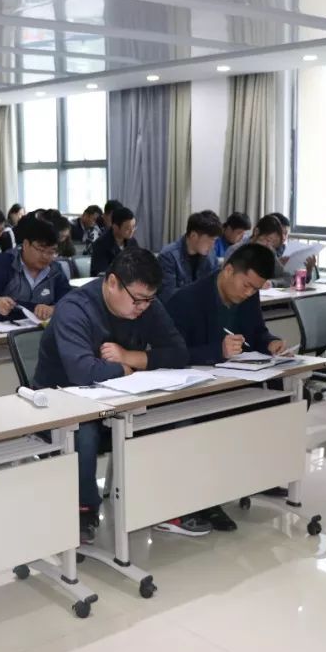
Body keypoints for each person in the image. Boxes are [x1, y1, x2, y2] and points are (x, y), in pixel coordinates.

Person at [32, 247, 200, 541]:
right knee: (84, 432)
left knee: (173, 416)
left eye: (149, 299)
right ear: (112, 283)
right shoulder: (75, 308)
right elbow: (82, 372)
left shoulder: (146, 304)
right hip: (61, 405)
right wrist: (124, 369)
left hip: (119, 401)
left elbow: (178, 352)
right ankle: (83, 510)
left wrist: (130, 358)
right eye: (138, 299)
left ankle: (162, 502)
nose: (143, 307)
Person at [166, 243, 288, 533]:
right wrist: (216, 351)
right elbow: (171, 354)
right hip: (193, 389)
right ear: (229, 270)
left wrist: (271, 342)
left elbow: (257, 332)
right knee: (217, 419)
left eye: (255, 289)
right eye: (246, 286)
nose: (249, 293)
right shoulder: (186, 300)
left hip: (232, 380)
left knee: (280, 399)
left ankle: (254, 476)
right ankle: (208, 499)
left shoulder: (249, 295)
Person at [0, 217, 69, 324]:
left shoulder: (55, 270)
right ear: (25, 244)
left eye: (51, 252)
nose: (46, 256)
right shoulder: (5, 263)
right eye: (41, 250)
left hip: (38, 330)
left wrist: (53, 308)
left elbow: (69, 301)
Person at [157, 211, 222, 301]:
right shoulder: (168, 256)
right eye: (210, 240)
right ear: (193, 235)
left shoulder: (211, 255)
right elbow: (167, 296)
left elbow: (216, 288)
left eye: (215, 241)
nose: (213, 246)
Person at [223, 215, 289, 286]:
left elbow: (287, 278)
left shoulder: (270, 251)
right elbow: (227, 281)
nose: (269, 246)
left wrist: (271, 283)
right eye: (267, 240)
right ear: (256, 232)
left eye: (273, 244)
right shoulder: (235, 250)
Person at [89, 206, 138, 277]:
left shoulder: (132, 241)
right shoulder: (101, 244)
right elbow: (101, 273)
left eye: (133, 227)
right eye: (127, 228)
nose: (132, 231)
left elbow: (138, 264)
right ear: (115, 227)